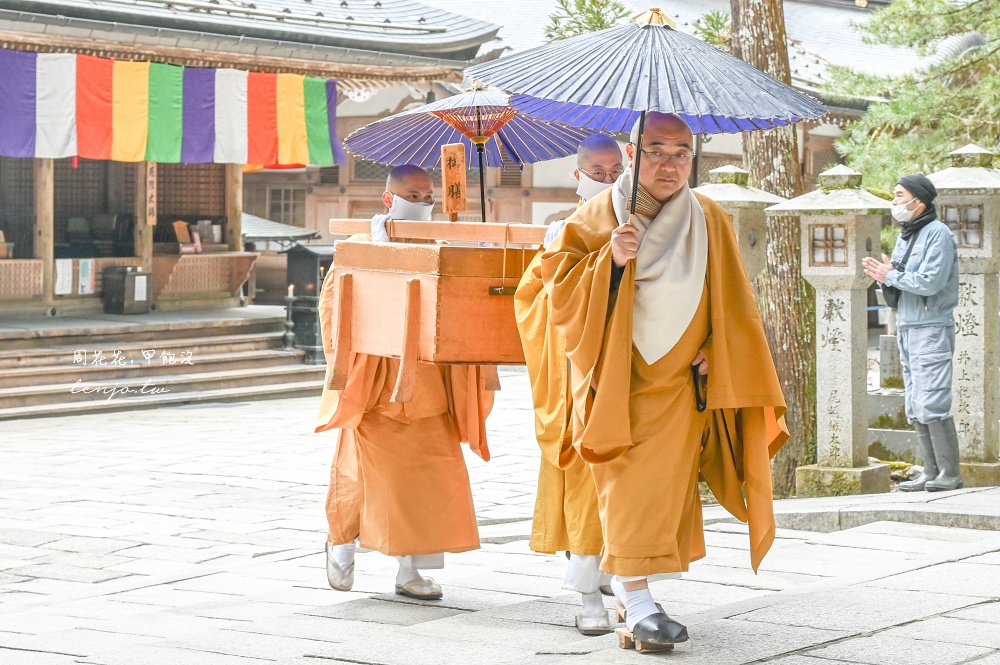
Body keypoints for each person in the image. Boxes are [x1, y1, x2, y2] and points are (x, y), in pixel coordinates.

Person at [541, 112, 787, 652]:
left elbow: (733, 302)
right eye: (657, 150)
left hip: (680, 383)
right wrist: (610, 259)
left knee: (660, 489)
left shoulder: (711, 217)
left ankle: (635, 601)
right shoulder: (596, 215)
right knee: (626, 482)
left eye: (681, 153)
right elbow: (556, 295)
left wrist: (713, 350)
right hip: (617, 376)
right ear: (633, 153)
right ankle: (639, 600)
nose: (670, 165)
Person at [316, 165, 495, 600]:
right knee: (364, 472)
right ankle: (341, 544)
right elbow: (334, 310)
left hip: (432, 386)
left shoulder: (440, 246)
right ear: (387, 199)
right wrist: (381, 258)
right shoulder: (360, 246)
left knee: (430, 478)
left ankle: (411, 571)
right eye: (411, 196)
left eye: (427, 196)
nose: (421, 203)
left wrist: (480, 259)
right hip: (377, 382)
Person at [515, 134, 624, 636]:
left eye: (615, 169)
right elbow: (535, 302)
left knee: (634, 479)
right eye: (597, 171)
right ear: (577, 175)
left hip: (636, 367)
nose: (607, 178)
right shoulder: (560, 230)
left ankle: (622, 578)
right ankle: (587, 592)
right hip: (583, 371)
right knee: (586, 472)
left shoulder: (647, 222)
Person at [862, 174, 961, 492]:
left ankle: (950, 473)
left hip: (931, 327)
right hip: (907, 325)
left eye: (899, 195)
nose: (894, 201)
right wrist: (885, 275)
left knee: (932, 401)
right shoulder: (907, 234)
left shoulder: (938, 234)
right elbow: (901, 278)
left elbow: (930, 282)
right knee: (916, 403)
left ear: (919, 201)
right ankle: (930, 472)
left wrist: (891, 275)